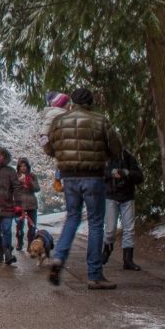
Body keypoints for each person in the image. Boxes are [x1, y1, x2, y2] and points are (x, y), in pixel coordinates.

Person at [44, 88, 122, 289]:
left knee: (72, 217)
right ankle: (94, 275)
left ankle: (59, 256)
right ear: (90, 102)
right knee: (96, 223)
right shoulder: (100, 120)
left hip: (70, 177)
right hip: (93, 176)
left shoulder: (59, 121)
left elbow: (49, 148)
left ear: (72, 102)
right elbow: (116, 147)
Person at [104, 149, 145, 271]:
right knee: (110, 229)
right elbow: (98, 173)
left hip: (127, 197)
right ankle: (107, 249)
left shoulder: (129, 158)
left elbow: (140, 177)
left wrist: (127, 173)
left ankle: (128, 260)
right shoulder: (105, 158)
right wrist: (111, 173)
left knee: (129, 229)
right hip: (111, 196)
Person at [13, 157, 41, 251]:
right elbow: (13, 189)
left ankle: (30, 245)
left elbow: (37, 188)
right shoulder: (15, 176)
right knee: (19, 226)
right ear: (18, 167)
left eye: (25, 166)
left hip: (31, 204)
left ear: (27, 166)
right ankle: (20, 243)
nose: (23, 168)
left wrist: (28, 182)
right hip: (19, 204)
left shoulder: (32, 176)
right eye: (21, 166)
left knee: (32, 227)